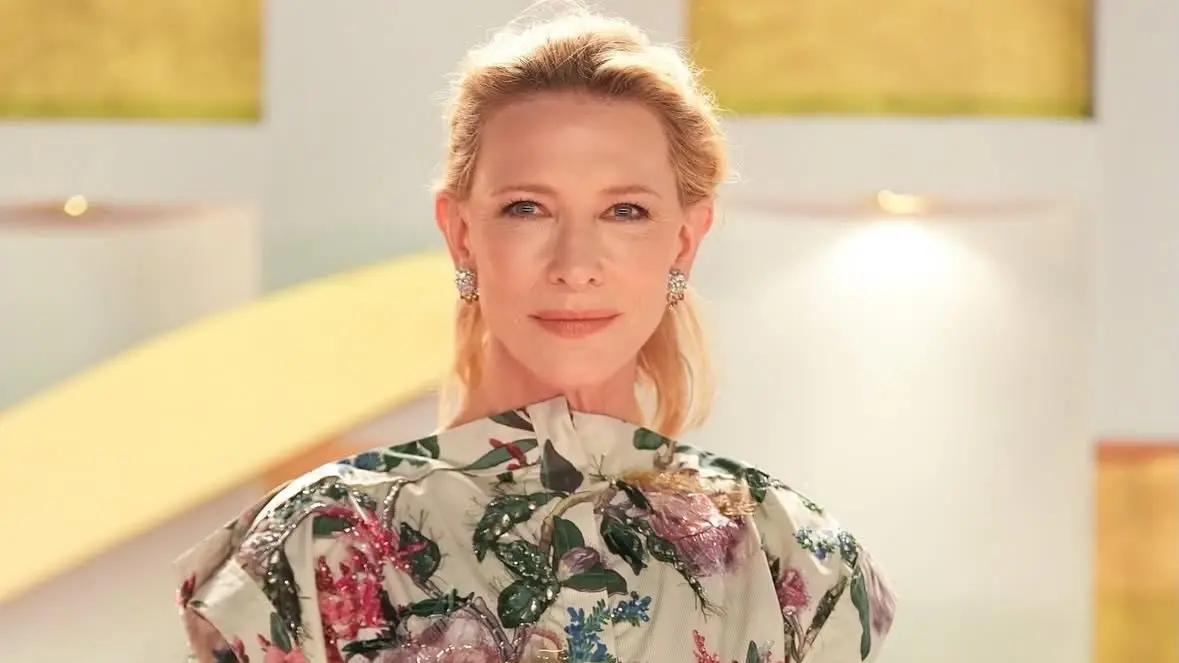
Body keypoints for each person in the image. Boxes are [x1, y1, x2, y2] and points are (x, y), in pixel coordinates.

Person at [177, 9, 896, 663]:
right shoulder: (318, 542)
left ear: (685, 239)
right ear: (462, 233)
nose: (574, 265)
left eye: (624, 211)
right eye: (527, 207)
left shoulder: (790, 556)